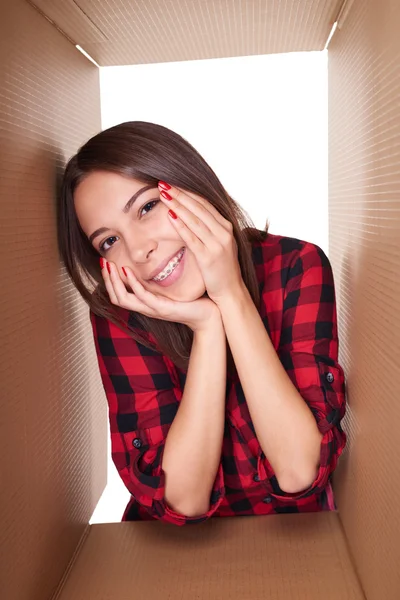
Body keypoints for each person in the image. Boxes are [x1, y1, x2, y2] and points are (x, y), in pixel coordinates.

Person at [58, 121, 346, 524]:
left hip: (294, 545)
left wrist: (230, 294)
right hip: (171, 560)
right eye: (109, 241)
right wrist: (208, 326)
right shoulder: (120, 312)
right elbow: (184, 500)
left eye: (146, 207)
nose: (139, 251)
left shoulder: (295, 266)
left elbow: (299, 471)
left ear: (190, 185)